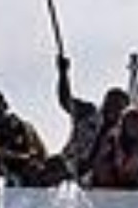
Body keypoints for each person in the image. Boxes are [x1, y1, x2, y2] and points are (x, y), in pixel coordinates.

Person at [55, 55, 129, 185]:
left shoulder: (123, 132)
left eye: (119, 107)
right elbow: (65, 100)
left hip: (96, 177)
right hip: (69, 164)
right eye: (111, 103)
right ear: (104, 102)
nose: (114, 109)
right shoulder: (88, 112)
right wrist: (63, 73)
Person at [0, 88, 51, 186]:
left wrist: (35, 157)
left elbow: (42, 153)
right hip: (1, 178)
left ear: (5, 106)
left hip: (29, 172)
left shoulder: (25, 127)